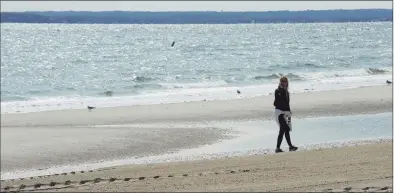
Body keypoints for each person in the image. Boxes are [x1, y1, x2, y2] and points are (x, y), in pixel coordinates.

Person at [273, 76, 298, 153]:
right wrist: (281, 90)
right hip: (279, 112)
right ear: (280, 82)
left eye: (285, 81)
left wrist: (289, 113)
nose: (283, 83)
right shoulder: (277, 91)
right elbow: (275, 103)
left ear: (287, 82)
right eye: (282, 81)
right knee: (285, 128)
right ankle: (289, 146)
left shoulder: (287, 93)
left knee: (284, 130)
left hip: (286, 113)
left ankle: (279, 148)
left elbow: (287, 104)